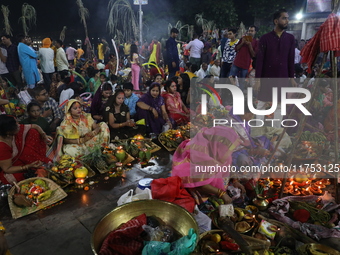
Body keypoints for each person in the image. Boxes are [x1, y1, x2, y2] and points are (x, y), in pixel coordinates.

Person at [172, 126, 244, 204]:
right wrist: (221, 193)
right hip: (198, 188)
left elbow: (228, 166)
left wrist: (235, 181)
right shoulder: (200, 153)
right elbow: (200, 182)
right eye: (229, 148)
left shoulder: (219, 151)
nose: (230, 151)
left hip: (217, 184)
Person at [255, 9, 296, 128]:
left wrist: (292, 78)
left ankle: (276, 130)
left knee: (279, 105)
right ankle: (258, 128)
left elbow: (291, 59)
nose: (287, 21)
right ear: (276, 21)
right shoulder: (265, 38)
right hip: (266, 77)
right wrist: (258, 80)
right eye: (284, 18)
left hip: (282, 77)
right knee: (262, 103)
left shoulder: (290, 38)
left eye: (287, 18)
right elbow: (260, 60)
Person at [0, 115, 53, 184]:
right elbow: (7, 169)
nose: (19, 125)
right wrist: (27, 166)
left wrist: (44, 136)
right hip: (13, 164)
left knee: (32, 132)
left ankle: (37, 159)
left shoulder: (12, 131)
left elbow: (35, 126)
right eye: (16, 125)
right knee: (17, 177)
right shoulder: (2, 146)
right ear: (8, 132)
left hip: (23, 153)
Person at [229, 26, 258, 92]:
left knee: (241, 82)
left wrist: (249, 45)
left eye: (252, 31)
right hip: (237, 63)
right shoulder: (243, 39)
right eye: (249, 30)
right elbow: (236, 49)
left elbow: (254, 55)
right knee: (231, 79)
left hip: (245, 65)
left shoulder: (256, 42)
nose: (250, 32)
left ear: (255, 32)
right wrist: (242, 43)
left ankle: (239, 96)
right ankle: (229, 95)